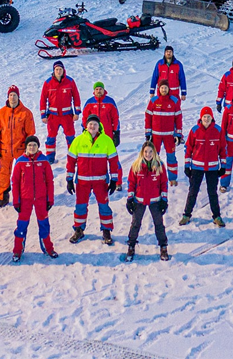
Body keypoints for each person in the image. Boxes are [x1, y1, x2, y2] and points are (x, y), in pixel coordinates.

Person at [67, 114, 121, 245]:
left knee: (104, 206)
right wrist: (69, 178)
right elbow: (71, 161)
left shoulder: (106, 140)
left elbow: (114, 161)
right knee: (80, 206)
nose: (92, 126)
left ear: (99, 126)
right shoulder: (78, 140)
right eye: (90, 124)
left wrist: (114, 180)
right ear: (86, 126)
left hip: (100, 181)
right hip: (82, 181)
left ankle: (106, 231)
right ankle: (79, 230)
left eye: (95, 125)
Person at [10, 135, 59, 262]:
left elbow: (49, 181)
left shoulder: (44, 161)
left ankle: (48, 248)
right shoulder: (20, 161)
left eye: (34, 145)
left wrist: (50, 199)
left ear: (38, 147)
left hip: (41, 199)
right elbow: (15, 182)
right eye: (30, 145)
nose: (32, 147)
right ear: (26, 147)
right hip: (25, 199)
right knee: (21, 225)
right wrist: (16, 200)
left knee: (44, 224)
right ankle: (17, 251)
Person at [180, 107, 227, 227]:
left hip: (212, 168)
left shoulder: (218, 130)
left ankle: (216, 216)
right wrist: (187, 165)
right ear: (201, 118)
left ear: (212, 118)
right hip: (197, 167)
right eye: (204, 117)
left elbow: (222, 149)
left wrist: (223, 165)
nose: (206, 119)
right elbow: (188, 148)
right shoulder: (195, 130)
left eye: (208, 117)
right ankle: (187, 215)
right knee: (193, 192)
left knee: (212, 193)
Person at [124, 141, 170, 262]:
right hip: (139, 200)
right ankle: (131, 246)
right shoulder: (136, 165)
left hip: (155, 201)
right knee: (135, 224)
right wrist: (130, 199)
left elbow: (163, 183)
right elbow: (131, 183)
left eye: (150, 152)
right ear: (142, 152)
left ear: (154, 152)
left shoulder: (159, 165)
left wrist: (164, 200)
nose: (148, 154)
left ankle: (163, 247)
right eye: (145, 152)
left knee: (159, 224)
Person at [0, 85, 36, 208]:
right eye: (11, 95)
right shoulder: (1, 113)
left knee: (23, 175)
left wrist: (30, 150)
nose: (12, 98)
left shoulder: (26, 113)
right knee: (4, 174)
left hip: (21, 150)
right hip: (5, 150)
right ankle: (3, 197)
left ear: (18, 96)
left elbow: (30, 133)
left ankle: (24, 197)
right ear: (8, 97)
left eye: (15, 95)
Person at [39, 61, 82, 164]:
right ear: (53, 71)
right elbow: (43, 99)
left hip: (67, 116)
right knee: (51, 138)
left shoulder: (70, 81)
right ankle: (50, 159)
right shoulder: (48, 83)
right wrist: (43, 115)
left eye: (60, 69)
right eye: (56, 69)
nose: (58, 71)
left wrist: (77, 113)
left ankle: (73, 159)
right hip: (52, 117)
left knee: (71, 137)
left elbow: (76, 97)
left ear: (63, 70)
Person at [82, 82, 122, 189]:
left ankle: (118, 182)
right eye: (97, 89)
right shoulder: (89, 102)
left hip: (107, 137)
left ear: (104, 90)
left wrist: (116, 132)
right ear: (94, 91)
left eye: (100, 89)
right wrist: (84, 131)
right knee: (95, 161)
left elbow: (115, 118)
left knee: (113, 159)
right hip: (93, 138)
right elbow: (84, 118)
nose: (99, 91)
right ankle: (97, 181)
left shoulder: (110, 102)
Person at [145, 80, 184, 184]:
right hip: (156, 136)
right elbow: (148, 117)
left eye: (165, 88)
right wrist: (148, 133)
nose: (164, 89)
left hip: (169, 136)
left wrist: (178, 134)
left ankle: (172, 179)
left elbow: (178, 119)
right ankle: (154, 177)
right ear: (159, 89)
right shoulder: (153, 101)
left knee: (171, 157)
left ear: (168, 89)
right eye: (162, 88)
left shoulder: (174, 101)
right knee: (154, 157)